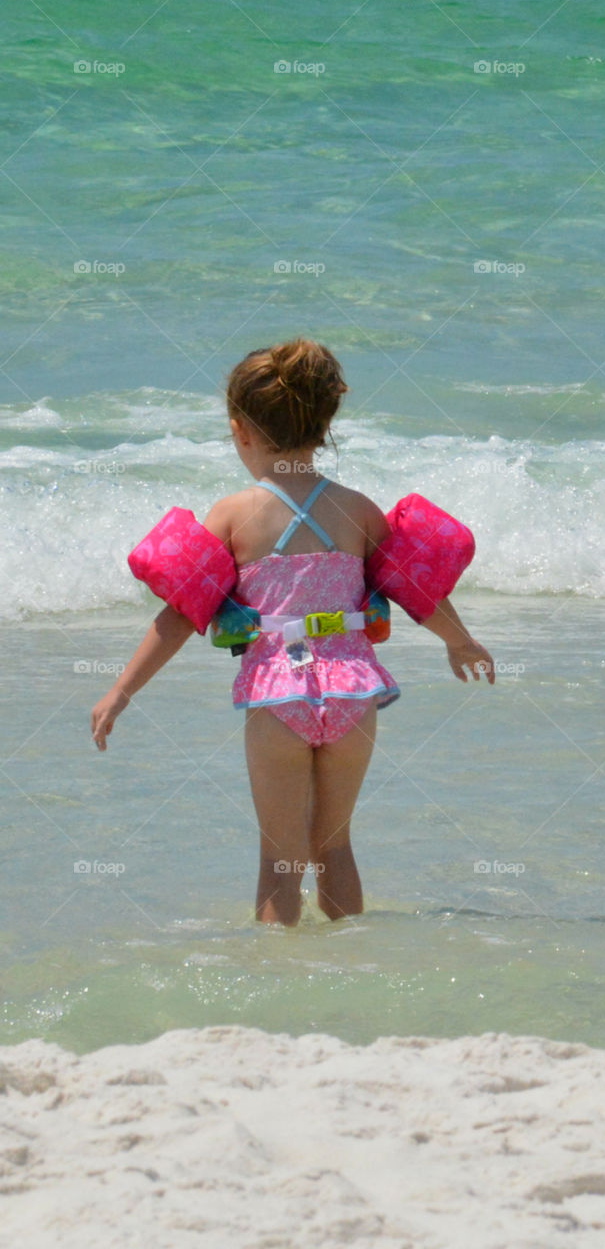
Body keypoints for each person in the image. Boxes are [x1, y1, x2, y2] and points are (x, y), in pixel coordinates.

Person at [90, 339, 494, 927]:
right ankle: (347, 967)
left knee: (279, 861)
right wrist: (460, 641)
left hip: (278, 693)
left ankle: (276, 986)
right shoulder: (357, 510)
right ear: (326, 422)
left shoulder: (232, 516)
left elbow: (181, 614)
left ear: (241, 431)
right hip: (354, 692)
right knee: (334, 847)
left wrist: (121, 691)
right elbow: (414, 588)